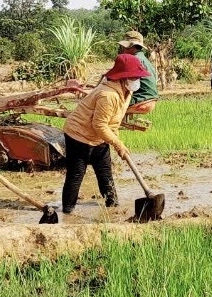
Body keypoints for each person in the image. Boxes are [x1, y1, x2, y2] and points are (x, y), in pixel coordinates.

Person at [60, 52, 151, 214]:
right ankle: (67, 212)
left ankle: (113, 207)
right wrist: (117, 143)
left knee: (105, 173)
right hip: (78, 135)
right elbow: (99, 124)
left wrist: (117, 141)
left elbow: (113, 122)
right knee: (76, 174)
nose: (137, 81)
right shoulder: (108, 95)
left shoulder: (126, 92)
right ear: (124, 77)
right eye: (135, 77)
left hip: (99, 137)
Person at [117, 30, 160, 114]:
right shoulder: (144, 59)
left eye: (124, 46)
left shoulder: (134, 60)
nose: (122, 49)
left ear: (130, 46)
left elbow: (123, 83)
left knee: (104, 102)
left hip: (140, 100)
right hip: (150, 99)